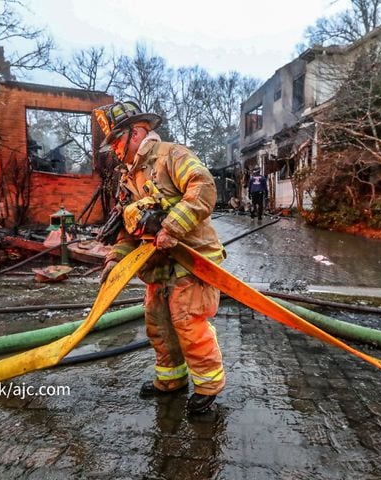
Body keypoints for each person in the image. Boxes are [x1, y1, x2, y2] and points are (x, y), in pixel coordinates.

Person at [94, 100, 226, 414]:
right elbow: (128, 229)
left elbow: (203, 187)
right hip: (157, 266)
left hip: (191, 261)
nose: (113, 150)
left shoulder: (171, 156)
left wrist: (171, 227)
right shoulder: (128, 178)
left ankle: (208, 386)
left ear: (136, 133)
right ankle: (171, 381)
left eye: (116, 141)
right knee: (158, 323)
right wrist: (116, 260)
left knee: (187, 321)